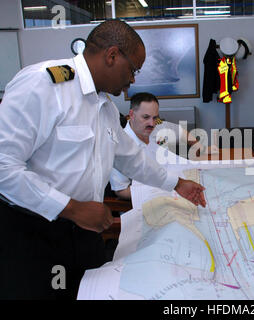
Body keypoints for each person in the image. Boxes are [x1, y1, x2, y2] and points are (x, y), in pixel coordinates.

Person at [0, 19, 205, 300]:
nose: (133, 80)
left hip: (84, 232)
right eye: (133, 69)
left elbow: (130, 158)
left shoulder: (104, 106)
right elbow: (4, 168)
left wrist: (177, 183)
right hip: (35, 234)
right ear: (111, 55)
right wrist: (71, 208)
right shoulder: (43, 84)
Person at [110, 92, 197, 200]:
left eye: (155, 117)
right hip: (148, 201)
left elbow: (183, 133)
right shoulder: (119, 145)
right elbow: (121, 190)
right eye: (145, 117)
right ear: (131, 115)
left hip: (177, 188)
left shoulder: (158, 127)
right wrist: (160, 191)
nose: (152, 123)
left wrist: (199, 149)